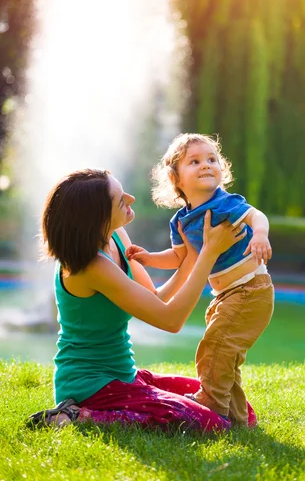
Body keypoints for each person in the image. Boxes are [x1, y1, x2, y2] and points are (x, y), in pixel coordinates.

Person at [27, 168, 252, 432]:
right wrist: (210, 253)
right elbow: (171, 320)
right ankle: (77, 415)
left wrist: (193, 254)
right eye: (121, 200)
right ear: (97, 217)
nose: (132, 199)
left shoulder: (115, 236)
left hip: (126, 377)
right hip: (91, 386)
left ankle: (115, 405)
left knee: (233, 408)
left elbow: (155, 298)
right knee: (213, 424)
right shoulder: (91, 266)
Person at [126, 133, 274, 426]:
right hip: (226, 296)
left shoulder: (226, 203)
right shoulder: (180, 220)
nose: (206, 165)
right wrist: (149, 258)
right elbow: (180, 256)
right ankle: (238, 419)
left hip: (249, 290)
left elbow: (257, 216)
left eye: (212, 159)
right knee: (224, 358)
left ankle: (211, 407)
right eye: (195, 161)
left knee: (214, 349)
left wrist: (260, 234)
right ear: (176, 179)